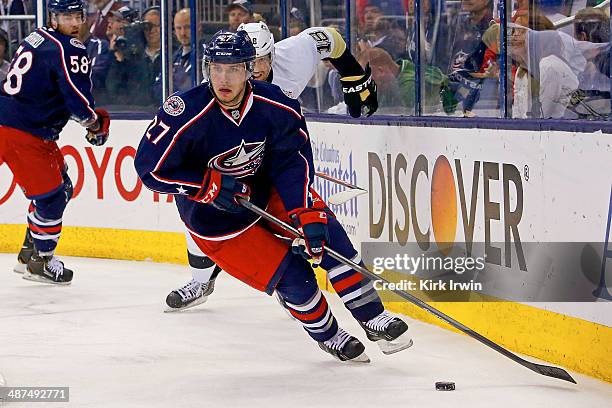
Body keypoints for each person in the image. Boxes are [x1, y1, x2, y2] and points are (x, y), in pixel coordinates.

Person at [135, 30, 411, 362]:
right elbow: (149, 168)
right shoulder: (184, 111)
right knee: (294, 279)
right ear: (207, 68)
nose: (224, 78)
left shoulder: (277, 105)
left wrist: (304, 210)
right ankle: (331, 336)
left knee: (328, 237)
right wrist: (205, 186)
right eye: (218, 68)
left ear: (249, 69)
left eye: (234, 69)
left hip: (269, 194)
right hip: (215, 223)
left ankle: (373, 317)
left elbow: (292, 162)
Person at [164, 21, 378, 311]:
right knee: (203, 213)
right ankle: (202, 280)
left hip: (274, 149)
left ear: (272, 55)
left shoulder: (293, 55)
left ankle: (297, 274)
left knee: (298, 208)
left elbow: (330, 38)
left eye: (263, 59)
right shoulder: (223, 84)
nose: (256, 67)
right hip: (235, 164)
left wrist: (352, 75)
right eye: (249, 61)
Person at [0, 0, 110, 284]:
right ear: (54, 17)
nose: (74, 23)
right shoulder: (69, 47)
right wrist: (94, 124)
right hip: (24, 132)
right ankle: (41, 261)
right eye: (66, 16)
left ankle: (29, 251)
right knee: (52, 197)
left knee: (60, 186)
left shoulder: (36, 36)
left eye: (77, 16)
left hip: (16, 122)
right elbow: (76, 100)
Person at [106, 6, 161, 107]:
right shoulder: (131, 56)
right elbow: (113, 90)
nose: (152, 30)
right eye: (147, 26)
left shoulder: (172, 55)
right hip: (134, 114)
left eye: (157, 26)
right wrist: (119, 60)